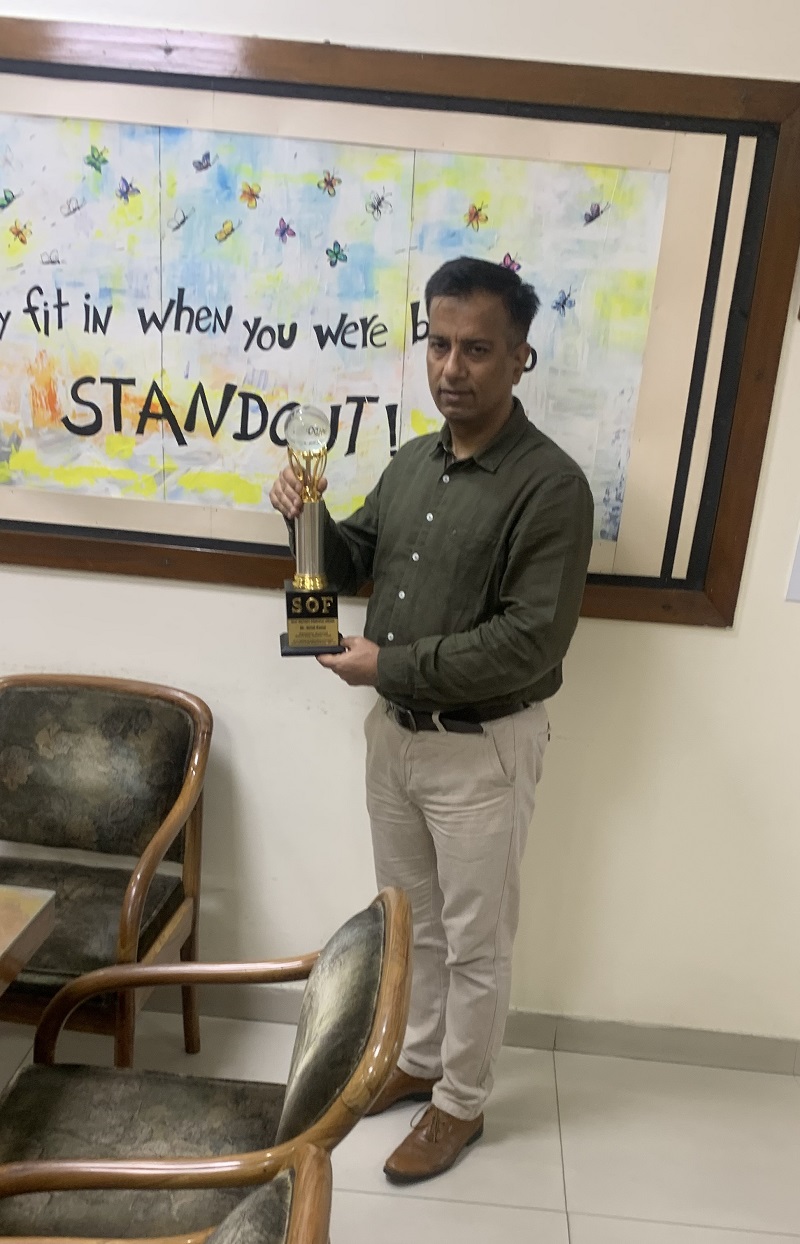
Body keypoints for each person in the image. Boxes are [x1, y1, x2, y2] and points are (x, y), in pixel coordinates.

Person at [269, 256, 593, 1184]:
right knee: (412, 926)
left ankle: (461, 1103)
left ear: (521, 357)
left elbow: (528, 642)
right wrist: (308, 518)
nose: (453, 368)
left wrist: (388, 664)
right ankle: (416, 1061)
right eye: (439, 344)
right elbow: (351, 560)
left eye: (477, 349)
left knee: (478, 941)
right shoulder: (413, 461)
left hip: (482, 748)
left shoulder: (551, 486)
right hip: (396, 739)